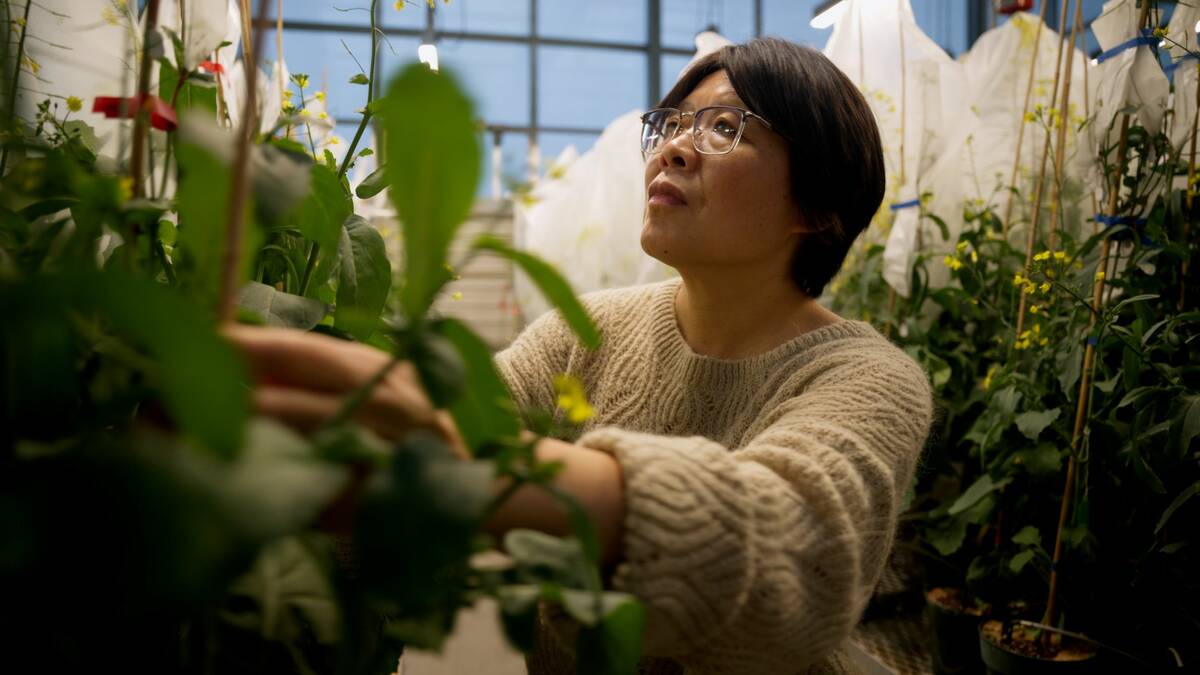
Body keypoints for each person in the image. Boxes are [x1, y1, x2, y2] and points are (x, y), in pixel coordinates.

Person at [228, 37, 932, 675]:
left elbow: (790, 559)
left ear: (814, 206)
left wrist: (474, 467)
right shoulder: (588, 329)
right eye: (674, 123)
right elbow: (441, 435)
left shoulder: (870, 381)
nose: (675, 148)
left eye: (725, 127)